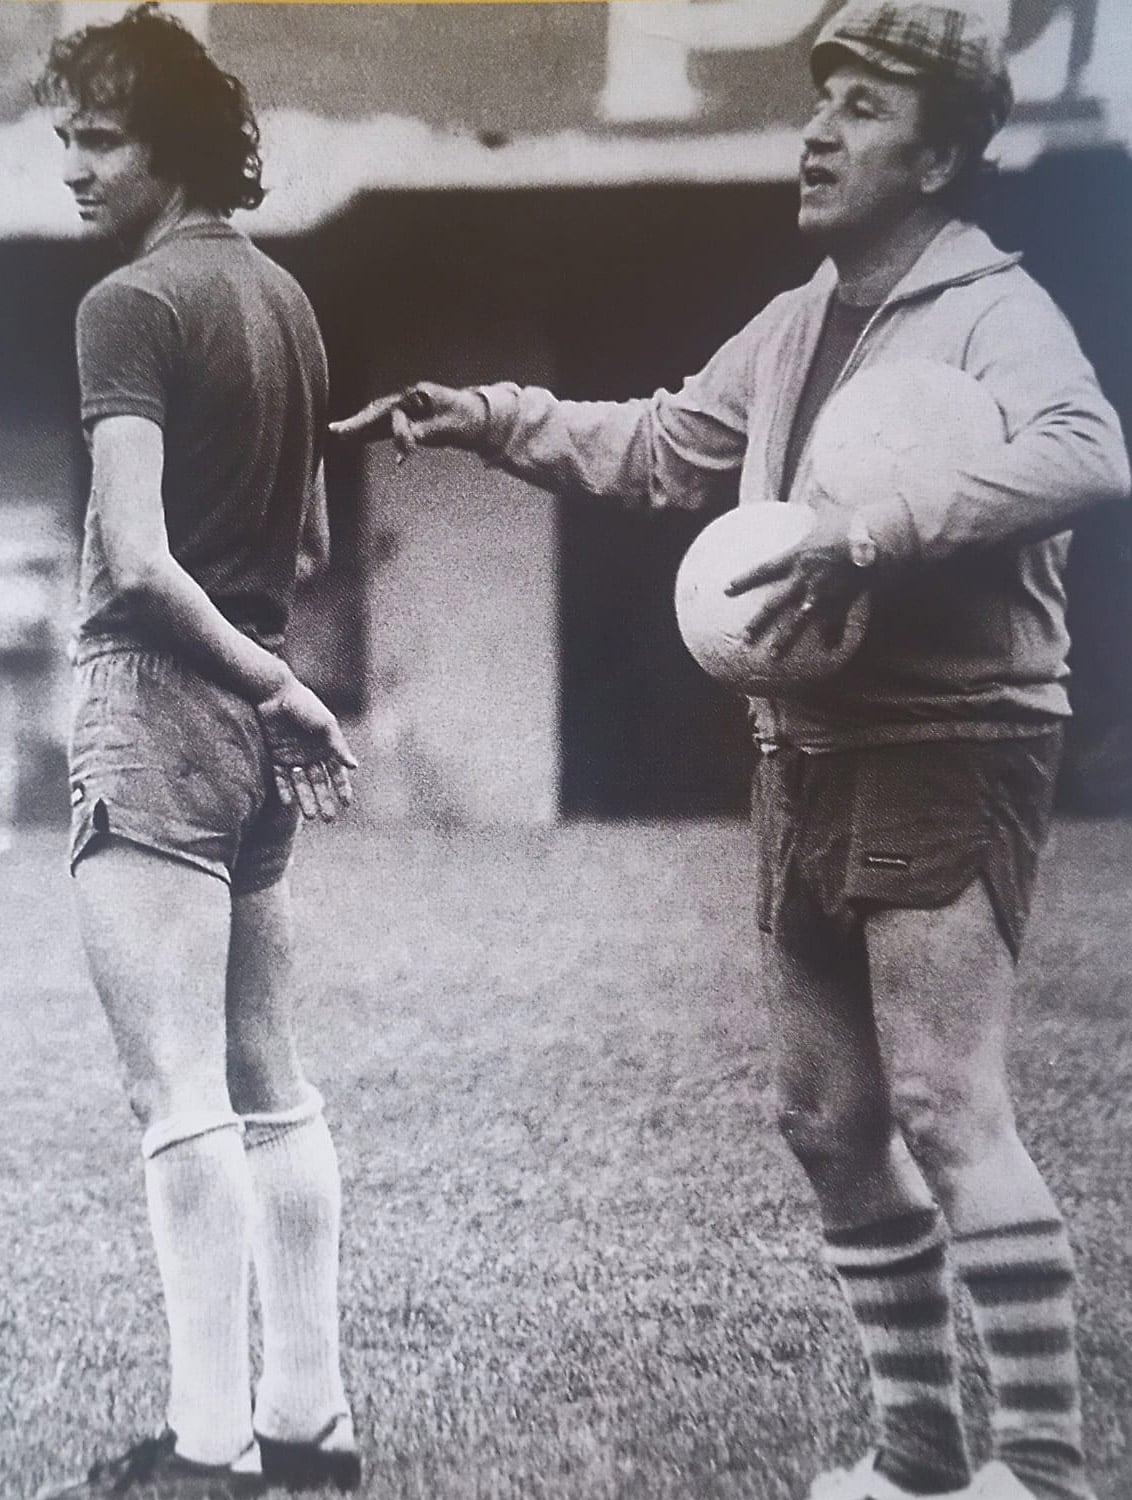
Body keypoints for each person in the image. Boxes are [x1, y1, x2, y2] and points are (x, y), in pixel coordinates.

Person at [331, 5, 1130, 1499]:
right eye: (818, 95)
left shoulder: (993, 312)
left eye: (866, 103)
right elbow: (658, 447)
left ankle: (1046, 1469)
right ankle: (921, 1459)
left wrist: (870, 526)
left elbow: (1087, 451)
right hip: (810, 749)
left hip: (954, 737)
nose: (820, 128)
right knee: (827, 1119)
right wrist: (486, 414)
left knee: (950, 1106)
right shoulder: (797, 321)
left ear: (946, 150)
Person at [35, 7, 361, 1496]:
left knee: (174, 1093)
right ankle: (310, 1432)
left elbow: (143, 560)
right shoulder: (285, 298)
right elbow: (304, 539)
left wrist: (256, 685)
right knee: (267, 1076)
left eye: (99, 140)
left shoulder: (129, 305)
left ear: (167, 144)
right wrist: (278, 684)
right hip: (253, 703)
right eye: (64, 143)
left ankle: (211, 1450)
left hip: (166, 692)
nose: (74, 171)